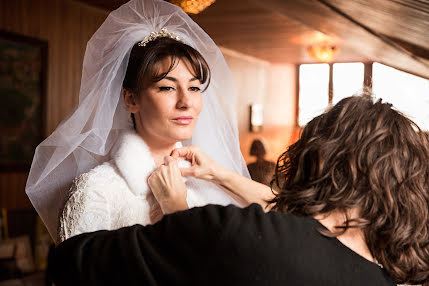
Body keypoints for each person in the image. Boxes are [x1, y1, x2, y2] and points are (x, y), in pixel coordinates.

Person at [50, 95, 429, 285]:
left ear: (319, 159)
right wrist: (217, 174)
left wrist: (179, 214)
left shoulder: (237, 235)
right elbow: (292, 220)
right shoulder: (379, 278)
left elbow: (72, 261)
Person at [25, 0, 249, 244]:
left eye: (194, 87)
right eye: (167, 87)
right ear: (131, 99)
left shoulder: (210, 182)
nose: (187, 102)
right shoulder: (97, 191)